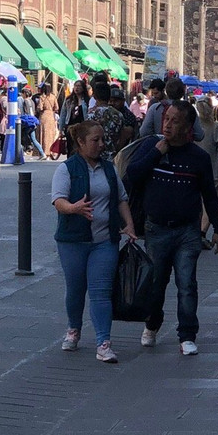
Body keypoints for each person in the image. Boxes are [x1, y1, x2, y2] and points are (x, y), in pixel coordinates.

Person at [126, 102, 218, 355]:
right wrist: (156, 153)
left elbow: (209, 196)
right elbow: (132, 176)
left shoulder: (198, 158)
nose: (167, 124)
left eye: (174, 121)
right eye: (166, 119)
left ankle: (187, 334)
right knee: (156, 283)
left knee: (187, 283)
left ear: (188, 127)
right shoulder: (151, 147)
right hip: (156, 229)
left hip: (187, 231)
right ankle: (152, 324)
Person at [51, 120, 136, 363]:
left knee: (101, 292)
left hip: (104, 241)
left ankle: (103, 342)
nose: (101, 145)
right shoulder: (67, 169)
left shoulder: (109, 169)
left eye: (102, 140)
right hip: (73, 241)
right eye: (95, 140)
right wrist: (73, 208)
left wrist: (128, 224)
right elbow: (58, 201)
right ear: (80, 142)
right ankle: (74, 328)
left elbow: (121, 198)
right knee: (76, 289)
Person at [194, 99, 218, 247]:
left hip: (194, 170)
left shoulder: (193, 127)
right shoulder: (215, 127)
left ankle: (196, 232)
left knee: (196, 202)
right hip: (213, 170)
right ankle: (202, 232)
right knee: (210, 202)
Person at [139, 77, 205, 140]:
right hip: (183, 149)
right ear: (183, 91)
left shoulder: (155, 108)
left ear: (166, 91)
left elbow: (144, 132)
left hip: (160, 148)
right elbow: (199, 135)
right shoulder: (189, 109)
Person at [87, 81, 127, 157]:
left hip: (95, 155)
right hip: (112, 155)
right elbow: (122, 136)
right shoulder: (118, 114)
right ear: (109, 97)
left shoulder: (91, 114)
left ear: (94, 96)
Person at [37, 83, 60, 156]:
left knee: (43, 133)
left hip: (44, 115)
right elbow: (57, 108)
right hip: (51, 116)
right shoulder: (53, 97)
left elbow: (40, 107)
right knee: (51, 134)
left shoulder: (42, 97)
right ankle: (51, 151)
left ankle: (44, 150)